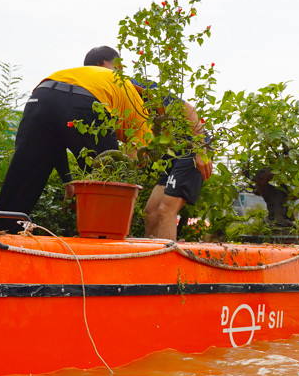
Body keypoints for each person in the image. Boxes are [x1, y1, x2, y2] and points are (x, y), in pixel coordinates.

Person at [0, 57, 150, 231]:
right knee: (110, 178)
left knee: (24, 176)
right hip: (86, 100)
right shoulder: (140, 109)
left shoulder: (103, 80)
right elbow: (134, 159)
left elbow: (55, 143)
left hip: (42, 95)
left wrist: (68, 181)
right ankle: (105, 238)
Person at [83, 46, 212, 240]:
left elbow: (188, 110)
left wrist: (201, 150)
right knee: (150, 213)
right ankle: (149, 259)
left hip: (191, 146)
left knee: (165, 211)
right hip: (171, 153)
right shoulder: (114, 97)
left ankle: (167, 266)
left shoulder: (135, 84)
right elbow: (133, 137)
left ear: (105, 66)